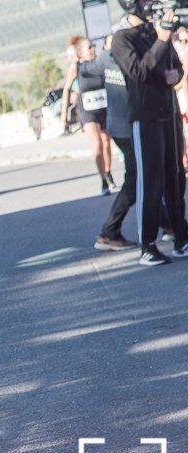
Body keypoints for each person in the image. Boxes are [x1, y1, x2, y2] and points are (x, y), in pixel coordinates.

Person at [114, 0, 188, 265]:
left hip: (169, 113)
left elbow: (176, 67)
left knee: (176, 178)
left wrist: (175, 75)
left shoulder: (155, 32)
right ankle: (148, 245)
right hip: (145, 118)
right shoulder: (122, 39)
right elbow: (139, 72)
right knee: (151, 181)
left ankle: (181, 237)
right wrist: (162, 39)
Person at [95, 31, 139, 251]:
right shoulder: (112, 59)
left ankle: (169, 224)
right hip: (125, 128)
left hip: (121, 126)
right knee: (136, 180)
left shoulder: (105, 58)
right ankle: (108, 231)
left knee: (142, 178)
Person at [62, 35, 117, 196]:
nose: (93, 49)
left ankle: (108, 172)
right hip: (86, 110)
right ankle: (103, 181)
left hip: (103, 107)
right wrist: (64, 114)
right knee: (97, 143)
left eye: (93, 46)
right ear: (80, 53)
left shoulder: (100, 64)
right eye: (89, 47)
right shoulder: (76, 68)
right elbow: (66, 89)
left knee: (106, 142)